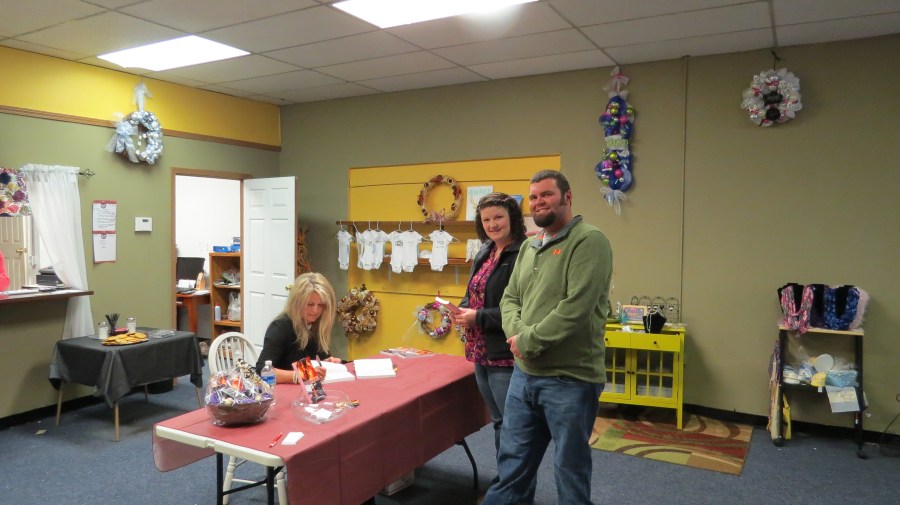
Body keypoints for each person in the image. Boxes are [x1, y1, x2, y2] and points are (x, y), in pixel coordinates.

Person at [482, 170, 613, 505]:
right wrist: (517, 334)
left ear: (567, 198)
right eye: (534, 197)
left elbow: (576, 308)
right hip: (523, 377)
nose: (539, 202)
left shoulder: (589, 241)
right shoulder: (529, 246)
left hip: (570, 379)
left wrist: (527, 341)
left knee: (569, 471)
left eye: (546, 195)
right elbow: (510, 298)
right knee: (512, 467)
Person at [452, 192, 527, 467]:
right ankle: (504, 481)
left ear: (512, 218)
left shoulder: (524, 252)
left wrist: (479, 317)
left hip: (505, 353)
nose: (492, 224)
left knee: (513, 425)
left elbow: (524, 309)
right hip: (479, 351)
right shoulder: (485, 250)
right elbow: (471, 291)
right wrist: (461, 310)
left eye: (498, 217)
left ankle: (515, 488)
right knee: (499, 421)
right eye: (486, 219)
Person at [255, 272, 342, 382]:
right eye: (310, 304)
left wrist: (326, 363)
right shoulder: (280, 327)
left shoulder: (315, 324)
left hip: (307, 389)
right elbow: (262, 370)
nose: (315, 310)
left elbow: (314, 361)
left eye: (321, 305)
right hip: (283, 391)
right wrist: (301, 374)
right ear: (297, 302)